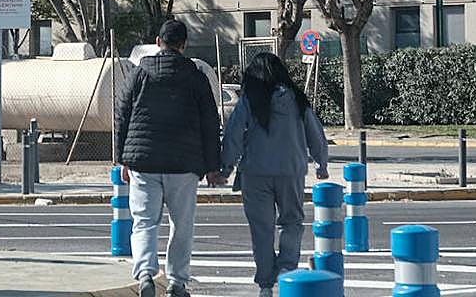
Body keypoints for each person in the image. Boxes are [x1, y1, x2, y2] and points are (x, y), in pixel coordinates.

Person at [115, 19, 222, 297]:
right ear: (183, 45)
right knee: (182, 224)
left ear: (158, 42)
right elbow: (210, 121)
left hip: (143, 163)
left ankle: (146, 276)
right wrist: (213, 166)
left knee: (144, 222)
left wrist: (121, 158)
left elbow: (122, 115)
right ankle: (176, 281)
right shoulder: (196, 76)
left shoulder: (138, 74)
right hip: (184, 165)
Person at [220, 52, 329, 297]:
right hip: (291, 171)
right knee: (292, 222)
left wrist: (225, 168)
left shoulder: (250, 99)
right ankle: (287, 267)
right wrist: (321, 164)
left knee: (262, 229)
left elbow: (233, 134)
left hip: (255, 172)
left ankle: (266, 284)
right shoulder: (298, 100)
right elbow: (316, 133)